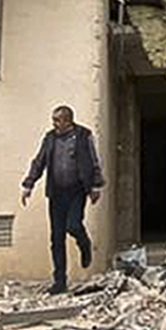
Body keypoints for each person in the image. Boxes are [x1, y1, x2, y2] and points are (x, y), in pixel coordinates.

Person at [21, 105, 104, 294]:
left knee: (73, 225)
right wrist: (29, 184)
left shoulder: (84, 135)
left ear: (68, 120)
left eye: (58, 120)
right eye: (53, 120)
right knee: (56, 238)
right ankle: (60, 282)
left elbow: (93, 160)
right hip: (56, 193)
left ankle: (84, 244)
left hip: (77, 191)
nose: (54, 124)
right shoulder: (50, 138)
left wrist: (96, 186)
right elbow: (39, 161)